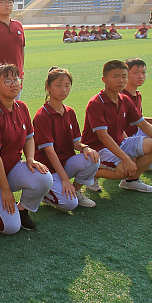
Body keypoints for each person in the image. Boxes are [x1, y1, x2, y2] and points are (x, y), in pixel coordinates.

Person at [0, 64, 52, 233]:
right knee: (10, 227)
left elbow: (29, 138)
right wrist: (6, 190)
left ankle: (22, 210)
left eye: (16, 79)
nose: (14, 84)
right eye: (7, 81)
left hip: (11, 169)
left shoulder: (22, 107)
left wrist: (30, 158)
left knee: (44, 178)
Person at [81, 60, 152, 193]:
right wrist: (126, 159)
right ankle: (90, 174)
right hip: (98, 148)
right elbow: (103, 137)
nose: (121, 80)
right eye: (116, 76)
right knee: (122, 170)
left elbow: (142, 123)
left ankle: (131, 181)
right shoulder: (96, 103)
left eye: (124, 76)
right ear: (104, 79)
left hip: (119, 143)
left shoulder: (124, 99)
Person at [33, 66, 101, 211]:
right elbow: (49, 152)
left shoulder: (70, 111)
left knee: (93, 157)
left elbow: (76, 142)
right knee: (70, 204)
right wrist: (65, 179)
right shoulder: (42, 115)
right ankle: (45, 193)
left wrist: (85, 148)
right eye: (58, 85)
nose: (63, 89)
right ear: (48, 87)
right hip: (48, 169)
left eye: (67, 85)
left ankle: (75, 190)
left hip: (64, 163)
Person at [122, 58, 152, 177]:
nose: (141, 76)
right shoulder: (121, 97)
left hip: (134, 133)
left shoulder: (137, 95)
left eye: (143, 72)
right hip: (122, 139)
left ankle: (149, 163)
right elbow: (117, 126)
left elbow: (137, 118)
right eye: (136, 73)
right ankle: (132, 170)